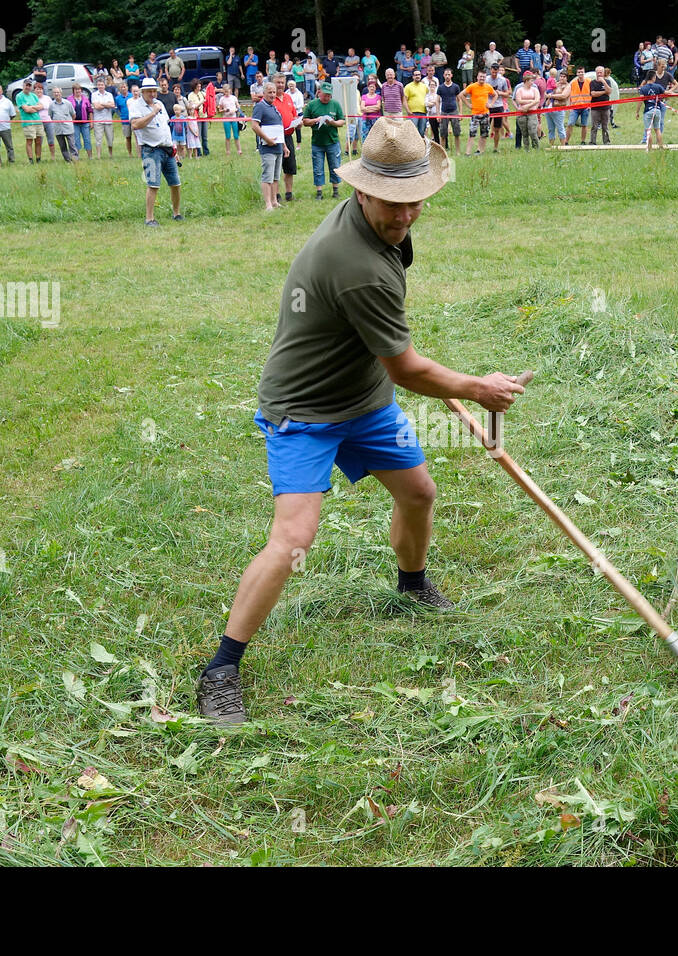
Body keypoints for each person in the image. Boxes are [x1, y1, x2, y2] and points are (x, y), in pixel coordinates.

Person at [194, 116, 524, 725]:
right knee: (294, 539)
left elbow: (388, 352)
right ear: (362, 190)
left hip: (364, 398)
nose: (404, 216)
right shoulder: (356, 264)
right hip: (305, 409)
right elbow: (406, 369)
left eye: (414, 203)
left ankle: (412, 585)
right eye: (393, 205)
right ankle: (221, 668)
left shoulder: (378, 231)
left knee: (419, 491)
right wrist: (477, 387)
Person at [130, 78, 182, 225]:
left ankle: (177, 214)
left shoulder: (159, 104)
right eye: (150, 91)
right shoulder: (136, 106)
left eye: (155, 91)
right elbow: (135, 125)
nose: (153, 94)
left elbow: (165, 127)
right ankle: (149, 218)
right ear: (143, 92)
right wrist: (152, 113)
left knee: (175, 183)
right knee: (153, 185)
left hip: (167, 150)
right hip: (151, 150)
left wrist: (173, 148)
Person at [247, 73, 285, 211]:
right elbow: (254, 126)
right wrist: (267, 140)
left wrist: (284, 146)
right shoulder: (260, 107)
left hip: (278, 147)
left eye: (274, 92)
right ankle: (268, 204)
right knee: (267, 176)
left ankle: (274, 201)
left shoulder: (274, 107)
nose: (272, 95)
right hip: (267, 147)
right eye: (269, 92)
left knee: (275, 177)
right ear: (263, 93)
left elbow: (279, 128)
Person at [304, 81, 346, 199]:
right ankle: (319, 192)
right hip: (317, 142)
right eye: (325, 94)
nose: (327, 97)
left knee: (335, 166)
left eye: (329, 95)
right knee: (318, 168)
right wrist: (315, 120)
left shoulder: (335, 104)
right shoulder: (312, 105)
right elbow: (305, 121)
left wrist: (332, 122)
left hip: (332, 141)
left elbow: (342, 121)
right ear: (319, 92)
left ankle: (335, 191)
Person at [273, 73, 301, 202]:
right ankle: (276, 195)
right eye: (278, 82)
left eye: (282, 82)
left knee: (290, 166)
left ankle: (289, 194)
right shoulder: (270, 99)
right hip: (275, 138)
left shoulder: (288, 97)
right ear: (273, 83)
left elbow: (294, 114)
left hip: (289, 136)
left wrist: (297, 122)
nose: (280, 85)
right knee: (275, 167)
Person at [460, 69, 493, 154]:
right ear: (477, 77)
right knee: (472, 134)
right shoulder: (472, 86)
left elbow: (495, 94)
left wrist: (491, 104)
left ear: (485, 78)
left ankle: (480, 151)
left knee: (484, 134)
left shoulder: (488, 86)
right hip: (475, 114)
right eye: (480, 76)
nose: (482, 78)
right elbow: (461, 95)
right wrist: (468, 105)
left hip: (485, 114)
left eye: (484, 77)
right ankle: (468, 153)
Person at [15, 79, 43, 163]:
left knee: (38, 141)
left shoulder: (34, 96)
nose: (28, 87)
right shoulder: (19, 96)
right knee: (29, 141)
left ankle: (38, 159)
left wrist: (32, 107)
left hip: (38, 121)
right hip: (28, 122)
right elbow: (26, 109)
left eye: (29, 85)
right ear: (23, 86)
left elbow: (41, 106)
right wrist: (35, 108)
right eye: (26, 85)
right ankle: (31, 160)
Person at [486, 62, 511, 151]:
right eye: (493, 72)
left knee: (497, 128)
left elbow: (508, 93)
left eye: (496, 73)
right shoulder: (486, 79)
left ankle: (495, 148)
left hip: (498, 105)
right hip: (487, 106)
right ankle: (482, 148)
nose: (494, 74)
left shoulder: (502, 80)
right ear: (490, 70)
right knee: (485, 128)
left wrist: (500, 93)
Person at [513, 71, 542, 149]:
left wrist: (527, 106)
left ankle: (536, 147)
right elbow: (519, 100)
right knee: (524, 133)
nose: (532, 82)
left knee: (532, 131)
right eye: (531, 80)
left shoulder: (535, 89)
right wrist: (530, 101)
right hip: (522, 113)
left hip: (532, 113)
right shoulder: (519, 90)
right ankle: (527, 149)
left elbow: (537, 100)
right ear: (526, 81)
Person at [47, 86, 76, 161]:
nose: (56, 94)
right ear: (53, 94)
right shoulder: (51, 105)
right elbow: (51, 116)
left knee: (72, 145)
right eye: (55, 92)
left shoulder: (68, 103)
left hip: (68, 128)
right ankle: (68, 160)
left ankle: (75, 159)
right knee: (62, 146)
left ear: (61, 93)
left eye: (58, 92)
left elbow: (73, 115)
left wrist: (68, 122)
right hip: (58, 129)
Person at [91, 78, 116, 157]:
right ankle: (98, 156)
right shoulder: (94, 94)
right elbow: (97, 107)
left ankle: (110, 155)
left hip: (108, 120)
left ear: (104, 85)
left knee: (110, 139)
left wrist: (101, 104)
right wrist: (106, 104)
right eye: (99, 85)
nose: (100, 86)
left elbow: (112, 105)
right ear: (97, 86)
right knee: (98, 139)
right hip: (98, 120)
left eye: (102, 85)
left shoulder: (109, 95)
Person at [567, 66, 590, 144]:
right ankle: (566, 141)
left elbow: (592, 95)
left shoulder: (589, 82)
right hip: (575, 107)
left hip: (585, 107)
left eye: (582, 72)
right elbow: (570, 95)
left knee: (584, 125)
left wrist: (590, 106)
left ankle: (583, 141)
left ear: (584, 73)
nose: (580, 73)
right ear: (577, 73)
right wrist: (570, 106)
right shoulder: (573, 83)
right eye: (579, 72)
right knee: (570, 124)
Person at [219, 82, 244, 156]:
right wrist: (224, 110)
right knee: (228, 136)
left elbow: (238, 106)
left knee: (236, 135)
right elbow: (219, 110)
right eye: (225, 91)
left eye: (228, 91)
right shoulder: (222, 99)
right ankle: (228, 151)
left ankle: (239, 150)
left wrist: (236, 110)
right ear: (223, 91)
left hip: (234, 118)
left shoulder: (233, 98)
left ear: (230, 90)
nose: (226, 93)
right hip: (226, 119)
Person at [69, 83, 93, 159]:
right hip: (74, 123)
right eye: (76, 89)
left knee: (87, 139)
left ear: (81, 90)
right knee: (76, 140)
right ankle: (76, 157)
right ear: (73, 90)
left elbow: (90, 111)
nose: (78, 91)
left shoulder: (85, 99)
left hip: (85, 123)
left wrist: (91, 121)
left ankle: (90, 157)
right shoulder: (69, 99)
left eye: (79, 89)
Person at [404, 69, 430, 136]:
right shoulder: (408, 87)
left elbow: (428, 97)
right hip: (413, 113)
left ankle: (420, 146)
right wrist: (408, 111)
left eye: (419, 75)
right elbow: (404, 100)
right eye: (416, 75)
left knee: (422, 132)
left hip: (423, 112)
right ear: (413, 76)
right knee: (411, 133)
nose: (417, 76)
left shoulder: (424, 86)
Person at [360, 74, 383, 148]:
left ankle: (376, 149)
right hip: (365, 118)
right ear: (368, 88)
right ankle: (365, 149)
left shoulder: (378, 96)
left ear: (375, 88)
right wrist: (373, 108)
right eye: (370, 87)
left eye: (373, 87)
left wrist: (367, 108)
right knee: (365, 134)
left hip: (376, 118)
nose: (372, 88)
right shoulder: (364, 96)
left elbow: (378, 107)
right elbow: (362, 108)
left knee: (376, 135)